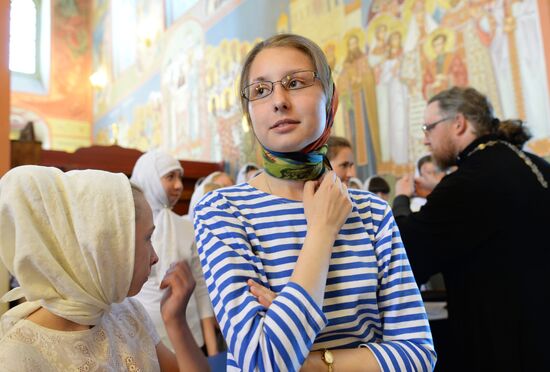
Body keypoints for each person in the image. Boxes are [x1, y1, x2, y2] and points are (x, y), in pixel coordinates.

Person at [193, 33, 436, 371]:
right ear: (249, 113)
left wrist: (302, 357)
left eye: (295, 83)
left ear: (330, 98)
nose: (279, 100)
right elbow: (261, 361)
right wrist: (322, 232)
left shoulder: (372, 212)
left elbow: (419, 354)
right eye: (261, 90)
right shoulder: (222, 211)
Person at [393, 86, 550, 371]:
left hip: (503, 344)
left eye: (429, 127)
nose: (425, 139)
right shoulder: (534, 163)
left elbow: (408, 251)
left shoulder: (471, 179)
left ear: (459, 123)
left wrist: (401, 200)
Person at [0, 166, 209, 371]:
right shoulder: (19, 357)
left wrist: (176, 322)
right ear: (102, 247)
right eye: (147, 238)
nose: (155, 258)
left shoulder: (128, 313)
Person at [130, 150, 218, 355]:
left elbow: (201, 289)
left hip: (191, 338)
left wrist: (212, 351)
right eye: (170, 177)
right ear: (149, 178)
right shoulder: (130, 227)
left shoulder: (187, 227)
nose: (179, 185)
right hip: (146, 339)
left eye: (180, 177)